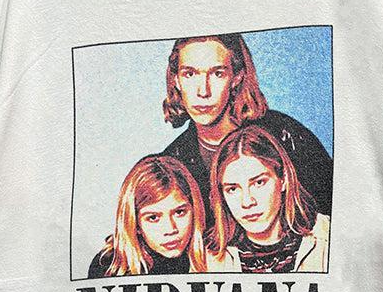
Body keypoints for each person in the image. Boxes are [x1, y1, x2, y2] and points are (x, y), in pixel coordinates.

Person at [161, 32, 333, 226]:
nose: (203, 91)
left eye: (218, 73)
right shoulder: (173, 162)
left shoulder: (285, 135)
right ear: (176, 80)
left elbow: (337, 211)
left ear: (237, 77)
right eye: (190, 74)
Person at [205, 124, 330, 273]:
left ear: (283, 179)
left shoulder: (326, 237)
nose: (247, 202)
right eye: (232, 189)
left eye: (259, 183)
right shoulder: (208, 258)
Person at [88, 155, 208, 278]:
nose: (170, 229)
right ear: (135, 223)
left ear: (195, 210)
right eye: (153, 218)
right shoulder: (109, 266)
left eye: (179, 212)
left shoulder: (212, 257)